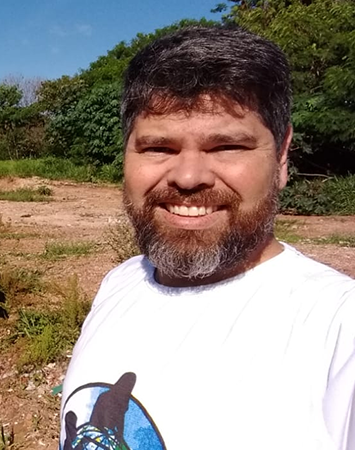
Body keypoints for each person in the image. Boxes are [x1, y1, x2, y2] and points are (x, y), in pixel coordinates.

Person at [59, 26, 355, 450]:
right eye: (158, 148)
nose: (188, 177)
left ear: (283, 154)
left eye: (226, 147)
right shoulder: (120, 283)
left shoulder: (339, 330)